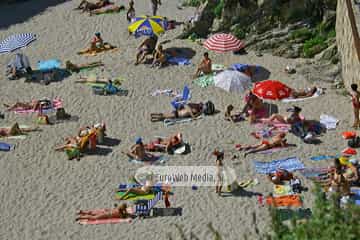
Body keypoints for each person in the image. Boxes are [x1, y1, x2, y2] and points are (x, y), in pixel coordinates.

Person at [150, 101, 215, 122]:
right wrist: (191, 113)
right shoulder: (197, 107)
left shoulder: (198, 111)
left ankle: (154, 116)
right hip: (179, 112)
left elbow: (194, 117)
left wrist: (195, 114)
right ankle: (154, 117)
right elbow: (187, 105)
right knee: (164, 116)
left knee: (165, 115)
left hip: (179, 114)